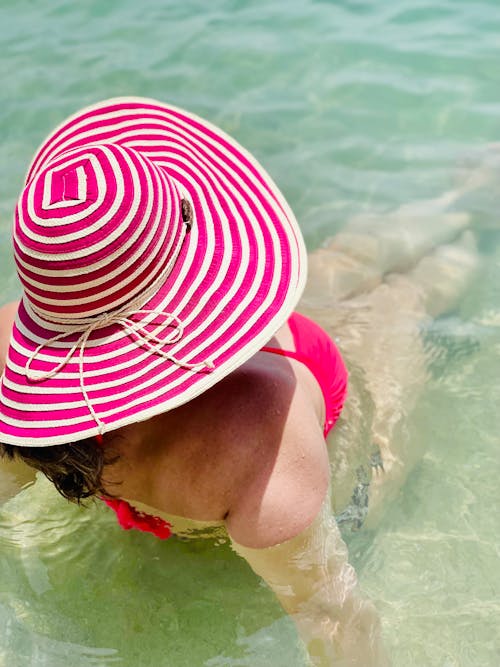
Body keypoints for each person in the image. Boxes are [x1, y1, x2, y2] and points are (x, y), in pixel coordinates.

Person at [0, 97, 478, 666]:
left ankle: (467, 201)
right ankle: (469, 205)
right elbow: (336, 619)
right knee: (402, 295)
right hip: (313, 396)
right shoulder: (259, 435)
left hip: (259, 396)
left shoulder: (14, 365)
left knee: (363, 277)